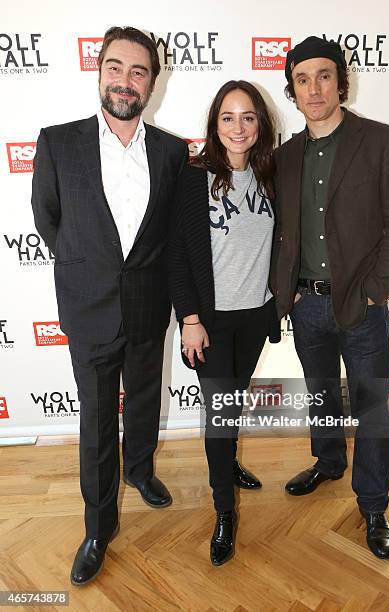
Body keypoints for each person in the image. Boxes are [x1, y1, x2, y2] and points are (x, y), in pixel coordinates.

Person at [31, 26, 188, 585]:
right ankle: (99, 526)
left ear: (152, 82)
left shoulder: (172, 152)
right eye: (116, 68)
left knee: (145, 399)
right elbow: (48, 220)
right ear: (99, 72)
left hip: (149, 306)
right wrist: (92, 267)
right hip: (90, 307)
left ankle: (141, 471)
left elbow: (172, 234)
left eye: (139, 71)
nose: (126, 80)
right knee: (97, 423)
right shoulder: (58, 141)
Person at [270, 36, 389, 559]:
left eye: (324, 75)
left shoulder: (380, 141)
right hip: (306, 304)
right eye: (302, 79)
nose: (314, 88)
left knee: (373, 408)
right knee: (321, 394)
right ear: (292, 88)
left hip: (361, 304)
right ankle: (329, 462)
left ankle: (374, 505)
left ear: (340, 81)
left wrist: (376, 290)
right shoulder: (284, 156)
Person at [170, 80, 279, 566]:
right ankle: (224, 512)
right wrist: (189, 318)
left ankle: (229, 462)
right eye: (228, 118)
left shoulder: (271, 173)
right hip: (209, 322)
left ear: (260, 125)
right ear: (215, 125)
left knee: (231, 401)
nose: (239, 127)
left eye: (248, 117)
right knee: (219, 413)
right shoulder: (194, 177)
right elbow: (175, 255)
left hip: (255, 316)